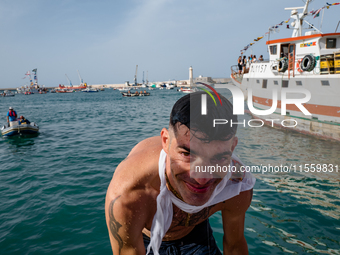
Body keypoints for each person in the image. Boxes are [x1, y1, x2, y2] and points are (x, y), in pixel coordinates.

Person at [105, 92, 256, 255]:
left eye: (219, 157)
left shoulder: (236, 184)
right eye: (187, 154)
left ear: (232, 148)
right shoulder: (129, 195)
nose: (202, 179)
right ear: (166, 142)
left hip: (196, 234)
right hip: (147, 240)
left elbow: (234, 245)